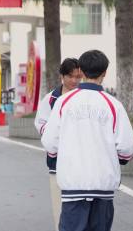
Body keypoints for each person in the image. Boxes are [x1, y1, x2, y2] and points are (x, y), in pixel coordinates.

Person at [42, 50, 133, 231]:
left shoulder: (64, 102)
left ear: (81, 72)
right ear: (104, 73)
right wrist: (117, 160)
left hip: (73, 184)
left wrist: (59, 155)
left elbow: (50, 142)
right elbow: (127, 146)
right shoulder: (113, 104)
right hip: (103, 186)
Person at [34, 58, 82, 228]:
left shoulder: (85, 98)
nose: (75, 81)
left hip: (81, 163)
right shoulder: (51, 99)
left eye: (78, 77)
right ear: (62, 76)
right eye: (71, 76)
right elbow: (41, 123)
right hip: (57, 162)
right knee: (59, 206)